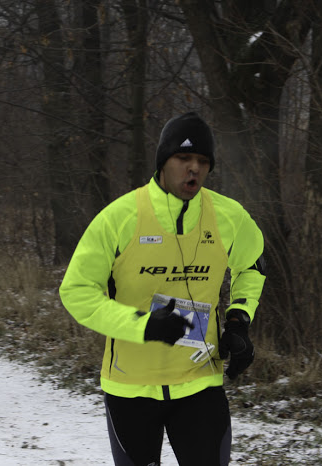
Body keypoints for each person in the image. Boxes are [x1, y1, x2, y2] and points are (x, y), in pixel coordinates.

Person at [59, 112, 266, 466]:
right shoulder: (119, 217)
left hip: (200, 383)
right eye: (183, 158)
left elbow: (252, 266)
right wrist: (142, 325)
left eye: (202, 161)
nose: (194, 169)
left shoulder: (229, 216)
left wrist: (238, 321)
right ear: (162, 162)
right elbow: (77, 291)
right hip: (130, 387)